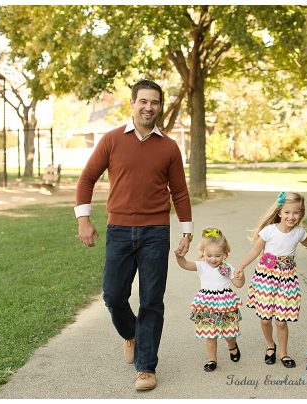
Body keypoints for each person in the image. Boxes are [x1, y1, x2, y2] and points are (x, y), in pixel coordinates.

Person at [74, 79, 193, 391]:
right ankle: (132, 333)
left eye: (154, 102)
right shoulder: (112, 140)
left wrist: (187, 231)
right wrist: (83, 220)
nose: (149, 107)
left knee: (152, 300)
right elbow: (87, 178)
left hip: (156, 232)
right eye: (143, 101)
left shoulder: (168, 146)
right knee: (113, 295)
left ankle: (146, 367)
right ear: (132, 103)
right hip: (119, 231)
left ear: (159, 106)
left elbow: (179, 192)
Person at [236, 191, 307, 368]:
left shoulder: (299, 232)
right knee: (265, 319)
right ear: (279, 212)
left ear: (301, 213)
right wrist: (241, 267)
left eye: (296, 213)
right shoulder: (269, 231)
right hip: (266, 278)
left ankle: (284, 353)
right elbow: (255, 251)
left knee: (281, 321)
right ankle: (270, 346)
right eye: (287, 212)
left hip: (286, 280)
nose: (291, 217)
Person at [175, 227, 245, 372]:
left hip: (225, 304)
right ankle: (212, 360)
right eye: (209, 255)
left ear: (225, 254)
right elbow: (185, 265)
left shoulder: (227, 268)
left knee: (229, 333)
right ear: (203, 253)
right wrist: (179, 257)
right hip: (207, 304)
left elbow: (239, 284)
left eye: (217, 255)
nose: (213, 259)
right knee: (210, 334)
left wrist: (240, 276)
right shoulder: (201, 266)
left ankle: (232, 345)